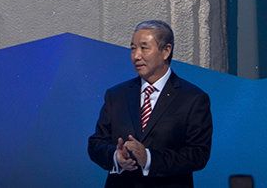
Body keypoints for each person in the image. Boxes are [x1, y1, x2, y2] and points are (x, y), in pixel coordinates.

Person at [88, 20, 212, 187]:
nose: (136, 56)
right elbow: (96, 144)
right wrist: (116, 157)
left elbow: (198, 154)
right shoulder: (116, 95)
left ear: (166, 51)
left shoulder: (193, 98)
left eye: (144, 48)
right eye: (133, 48)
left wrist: (149, 158)